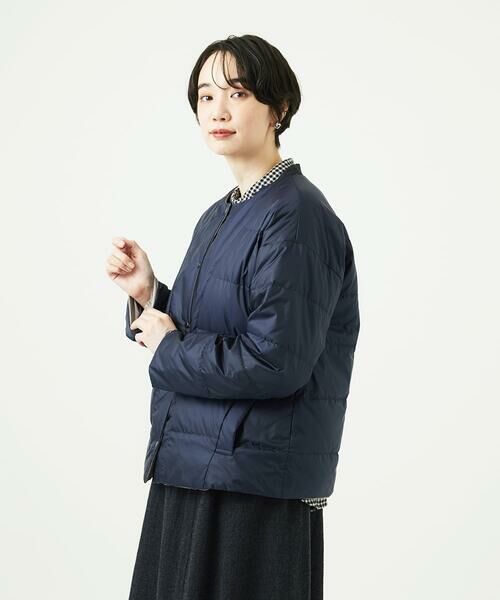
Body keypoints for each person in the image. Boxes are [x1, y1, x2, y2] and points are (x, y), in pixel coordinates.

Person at [106, 34, 360, 600]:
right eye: (205, 96)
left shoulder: (297, 217)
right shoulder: (222, 214)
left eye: (238, 93)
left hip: (250, 489)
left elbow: (275, 362)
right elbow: (210, 333)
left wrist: (170, 345)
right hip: (195, 469)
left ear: (279, 108)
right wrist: (150, 296)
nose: (217, 110)